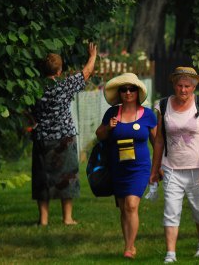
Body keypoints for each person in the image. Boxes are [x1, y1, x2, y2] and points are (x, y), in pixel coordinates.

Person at [150, 67, 199, 263]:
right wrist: (155, 169)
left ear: (193, 87)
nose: (183, 90)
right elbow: (159, 140)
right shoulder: (162, 105)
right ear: (174, 85)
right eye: (180, 85)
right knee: (170, 209)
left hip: (198, 167)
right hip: (172, 166)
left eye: (187, 86)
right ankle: (170, 253)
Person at [31, 42, 97, 226]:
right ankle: (67, 218)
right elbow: (86, 72)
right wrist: (92, 56)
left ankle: (43, 219)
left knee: (42, 177)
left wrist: (31, 119)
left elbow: (20, 107)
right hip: (64, 137)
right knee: (67, 176)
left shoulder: (34, 89)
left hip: (42, 137)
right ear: (59, 70)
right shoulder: (64, 86)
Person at [96, 72, 157, 259]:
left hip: (139, 168)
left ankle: (129, 248)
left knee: (131, 205)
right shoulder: (112, 113)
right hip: (118, 167)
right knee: (123, 208)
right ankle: (128, 243)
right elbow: (99, 134)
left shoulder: (148, 115)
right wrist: (108, 127)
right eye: (124, 89)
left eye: (132, 89)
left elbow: (157, 143)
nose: (128, 92)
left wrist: (158, 166)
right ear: (120, 93)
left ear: (138, 92)